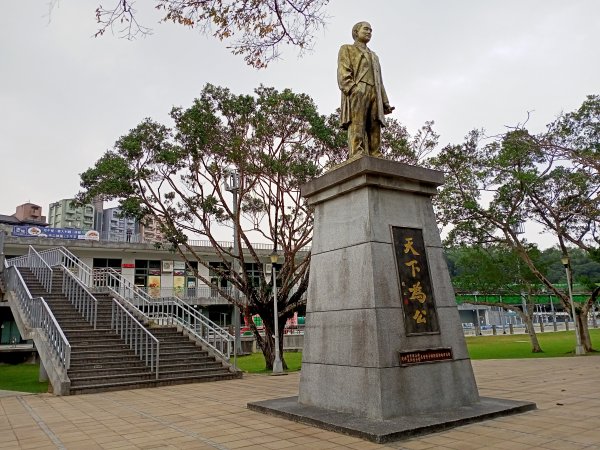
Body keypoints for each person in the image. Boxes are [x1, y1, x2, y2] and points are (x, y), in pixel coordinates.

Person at [338, 21, 395, 158]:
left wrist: (385, 101)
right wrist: (353, 88)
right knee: (358, 122)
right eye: (366, 29)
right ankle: (357, 151)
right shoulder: (347, 49)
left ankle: (375, 152)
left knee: (375, 122)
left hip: (375, 91)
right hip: (359, 88)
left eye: (371, 30)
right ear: (356, 32)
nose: (369, 32)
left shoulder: (374, 56)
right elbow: (343, 71)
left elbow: (379, 81)